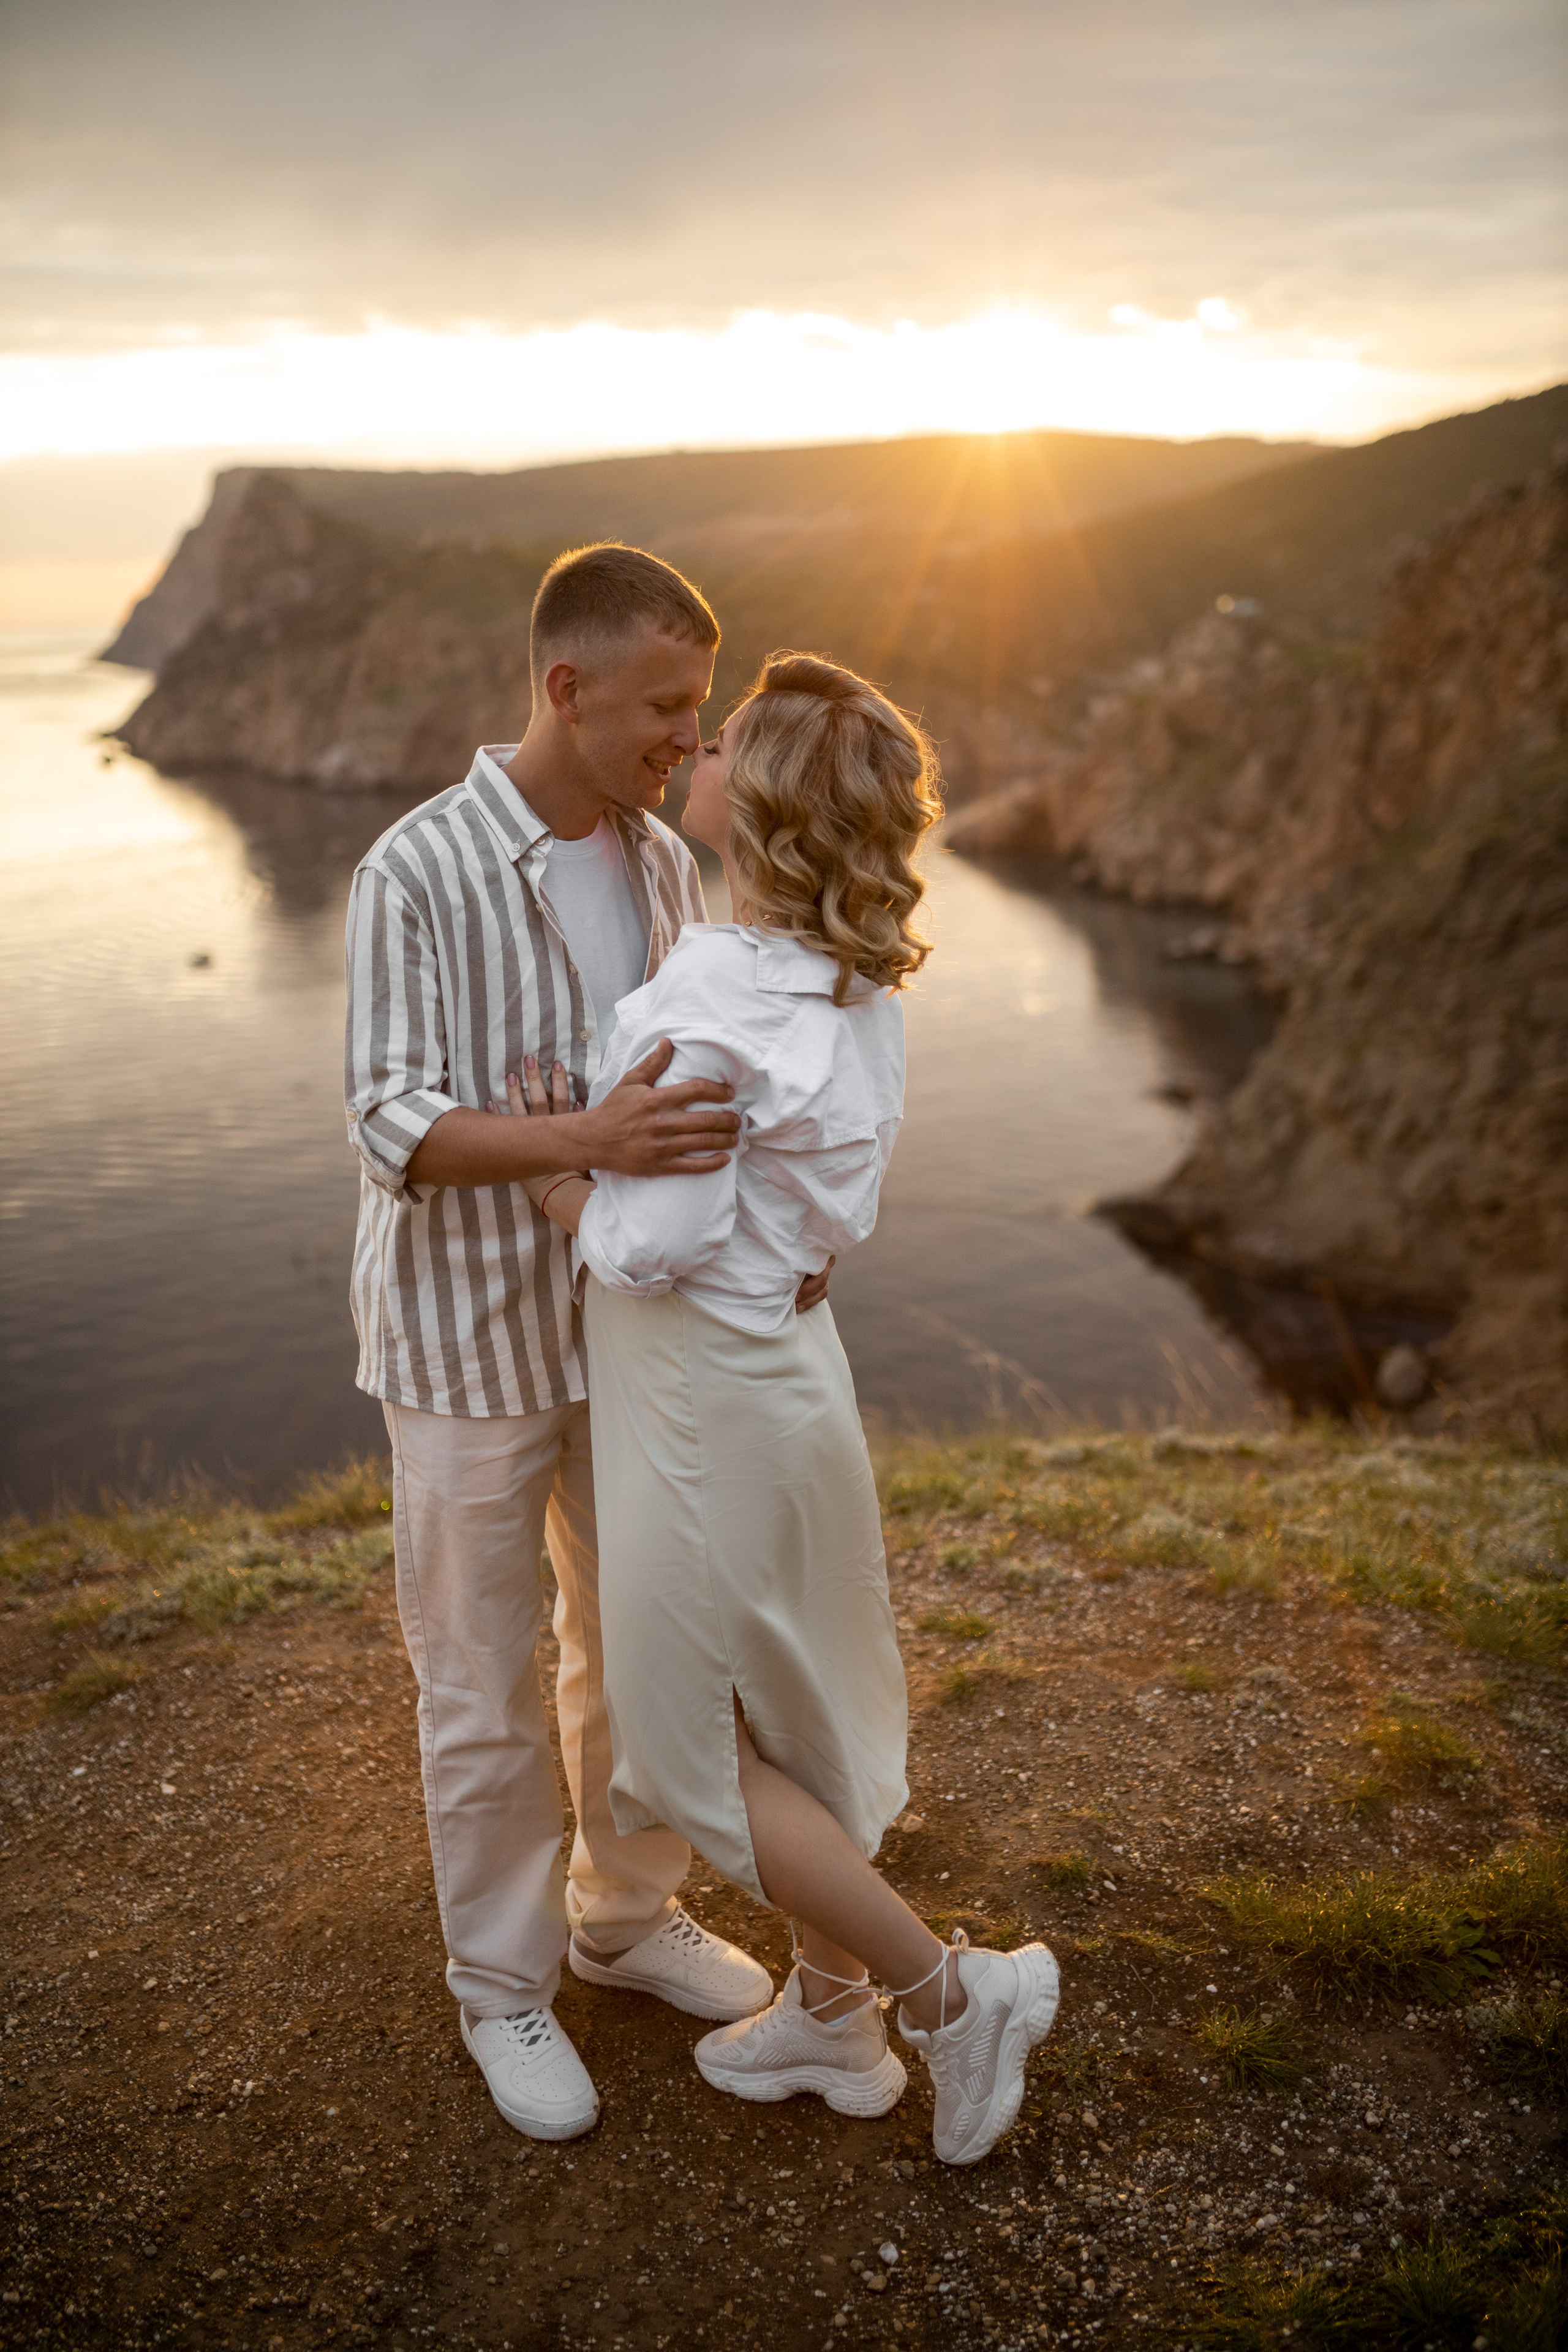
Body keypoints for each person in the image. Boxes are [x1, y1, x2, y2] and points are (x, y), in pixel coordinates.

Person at [502, 652, 1060, 2165]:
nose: (693, 749)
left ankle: (949, 1999)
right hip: (798, 1374)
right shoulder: (849, 974)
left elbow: (649, 1244)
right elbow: (818, 1209)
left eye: (722, 740)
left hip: (695, 1396)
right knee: (802, 1700)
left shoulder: (705, 999)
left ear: (752, 805)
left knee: (688, 1751)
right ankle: (830, 2023)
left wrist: (562, 1176)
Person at [343, 543, 830, 2144]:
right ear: (565, 686)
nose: (689, 742)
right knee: (480, 1679)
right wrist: (599, 1138)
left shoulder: (662, 863)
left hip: (632, 1332)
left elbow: (703, 1090)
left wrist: (778, 1229)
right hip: (467, 1349)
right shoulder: (411, 870)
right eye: (666, 707)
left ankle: (619, 1920)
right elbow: (389, 1118)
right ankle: (502, 1986)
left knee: (642, 1652)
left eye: (698, 711)